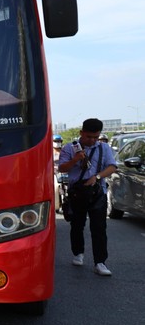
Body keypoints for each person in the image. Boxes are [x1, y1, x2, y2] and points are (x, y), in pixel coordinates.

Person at [57, 118, 117, 276]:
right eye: (89, 137)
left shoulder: (104, 148)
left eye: (96, 137)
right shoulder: (70, 148)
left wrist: (96, 177)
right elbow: (62, 168)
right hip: (77, 192)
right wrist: (75, 160)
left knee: (99, 228)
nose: (92, 140)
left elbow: (112, 167)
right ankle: (78, 253)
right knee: (77, 225)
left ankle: (100, 262)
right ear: (81, 133)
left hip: (98, 192)